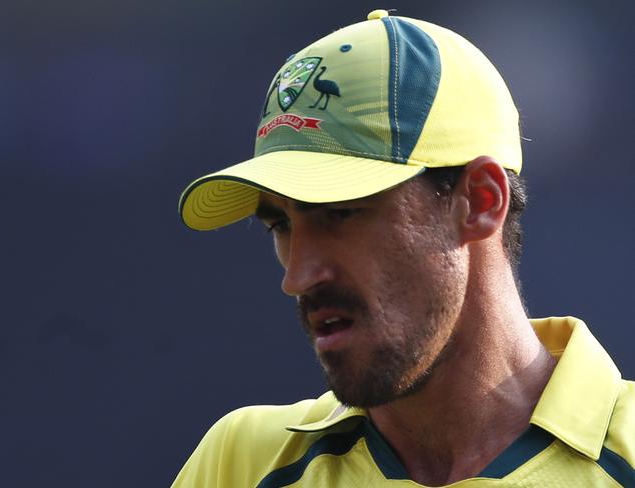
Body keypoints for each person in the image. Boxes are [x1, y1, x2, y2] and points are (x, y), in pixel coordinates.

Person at [172, 10, 634, 487]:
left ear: (479, 202)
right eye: (280, 225)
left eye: (342, 212)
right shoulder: (243, 465)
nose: (298, 276)